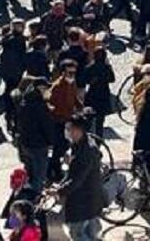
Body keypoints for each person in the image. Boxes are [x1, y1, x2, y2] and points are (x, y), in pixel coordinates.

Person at [52, 113, 106, 241]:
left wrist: (59, 191)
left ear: (78, 130)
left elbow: (77, 179)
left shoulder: (85, 151)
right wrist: (60, 185)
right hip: (90, 200)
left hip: (83, 202)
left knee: (77, 235)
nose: (67, 132)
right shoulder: (82, 144)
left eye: (69, 129)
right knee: (91, 234)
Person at [14, 76, 52, 191]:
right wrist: (51, 141)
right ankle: (34, 200)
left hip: (25, 144)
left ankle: (26, 196)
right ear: (40, 88)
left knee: (29, 174)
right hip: (38, 145)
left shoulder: (24, 101)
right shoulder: (40, 105)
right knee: (39, 177)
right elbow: (46, 127)